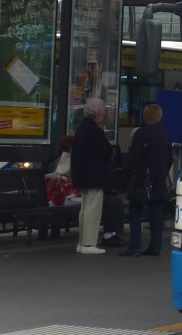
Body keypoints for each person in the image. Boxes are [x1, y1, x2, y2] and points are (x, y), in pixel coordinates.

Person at [121, 102, 172, 257]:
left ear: (145, 116)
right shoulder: (165, 134)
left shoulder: (141, 133)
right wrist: (162, 172)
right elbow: (169, 158)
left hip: (141, 179)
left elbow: (134, 158)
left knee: (135, 210)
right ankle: (155, 246)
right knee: (156, 212)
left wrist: (128, 175)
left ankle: (134, 245)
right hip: (159, 180)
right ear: (159, 116)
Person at [70, 98, 113, 255]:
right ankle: (88, 244)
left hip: (82, 175)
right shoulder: (95, 130)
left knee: (84, 209)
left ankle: (82, 242)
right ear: (98, 115)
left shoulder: (81, 128)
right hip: (94, 176)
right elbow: (106, 152)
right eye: (103, 114)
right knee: (93, 210)